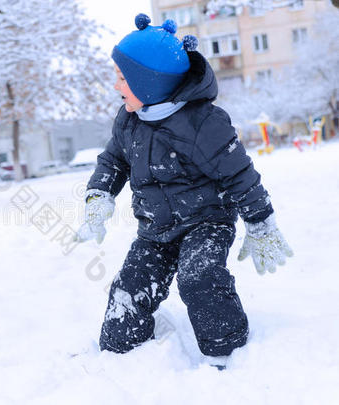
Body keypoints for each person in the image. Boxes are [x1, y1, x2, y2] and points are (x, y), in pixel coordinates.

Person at [74, 14, 293, 368]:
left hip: (206, 222)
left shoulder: (203, 122)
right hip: (155, 230)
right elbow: (113, 162)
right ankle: (118, 359)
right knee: (128, 288)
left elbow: (240, 174)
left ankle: (227, 352)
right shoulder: (129, 120)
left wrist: (260, 221)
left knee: (199, 278)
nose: (117, 87)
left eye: (122, 78)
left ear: (149, 82)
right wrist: (99, 195)